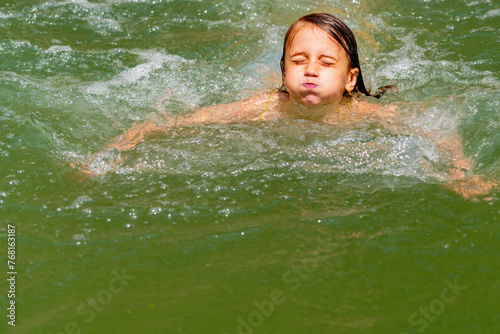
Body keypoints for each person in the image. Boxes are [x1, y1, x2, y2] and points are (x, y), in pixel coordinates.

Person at [73, 13, 496, 199]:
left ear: (351, 80)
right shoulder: (262, 108)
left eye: (326, 64)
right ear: (283, 73)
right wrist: (119, 147)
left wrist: (460, 173)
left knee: (362, 27)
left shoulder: (368, 115)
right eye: (299, 62)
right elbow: (178, 122)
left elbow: (438, 131)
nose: (310, 71)